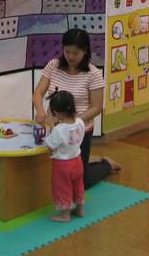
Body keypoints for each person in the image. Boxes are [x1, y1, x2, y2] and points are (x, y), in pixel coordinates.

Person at [33, 28, 121, 189]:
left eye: (75, 53)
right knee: (52, 170)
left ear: (85, 51)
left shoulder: (93, 74)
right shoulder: (53, 65)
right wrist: (40, 111)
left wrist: (72, 122)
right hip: (53, 127)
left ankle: (106, 165)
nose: (71, 56)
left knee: (80, 181)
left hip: (79, 131)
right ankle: (87, 160)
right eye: (67, 52)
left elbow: (96, 108)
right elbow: (38, 92)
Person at [43, 91, 86, 223]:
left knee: (62, 188)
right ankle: (80, 209)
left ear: (57, 112)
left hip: (63, 165)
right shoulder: (80, 122)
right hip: (77, 160)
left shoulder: (59, 129)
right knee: (78, 184)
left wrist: (51, 130)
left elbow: (50, 146)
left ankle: (65, 215)